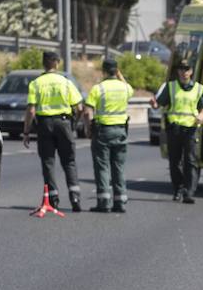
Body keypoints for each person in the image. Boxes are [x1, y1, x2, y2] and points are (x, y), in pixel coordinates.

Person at [23, 51, 84, 211]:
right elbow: (79, 107)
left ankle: (53, 198)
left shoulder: (36, 83)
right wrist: (73, 124)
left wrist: (27, 131)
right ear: (57, 63)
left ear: (44, 63)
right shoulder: (65, 82)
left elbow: (31, 111)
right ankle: (75, 198)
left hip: (44, 125)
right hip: (64, 124)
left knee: (48, 162)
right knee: (69, 161)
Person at [150, 60, 203, 204]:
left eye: (186, 69)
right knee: (175, 162)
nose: (183, 72)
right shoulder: (171, 87)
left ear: (191, 71)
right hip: (174, 129)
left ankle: (189, 192)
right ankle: (178, 188)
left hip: (191, 129)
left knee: (190, 161)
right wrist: (154, 104)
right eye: (181, 69)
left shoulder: (199, 89)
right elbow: (159, 104)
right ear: (178, 71)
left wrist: (201, 115)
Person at [83, 59, 135, 213]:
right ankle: (120, 203)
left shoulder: (98, 89)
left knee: (102, 167)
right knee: (118, 167)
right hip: (121, 131)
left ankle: (104, 203)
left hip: (103, 132)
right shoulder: (125, 88)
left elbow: (87, 111)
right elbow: (128, 88)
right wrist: (120, 75)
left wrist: (88, 128)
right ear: (117, 71)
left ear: (103, 71)